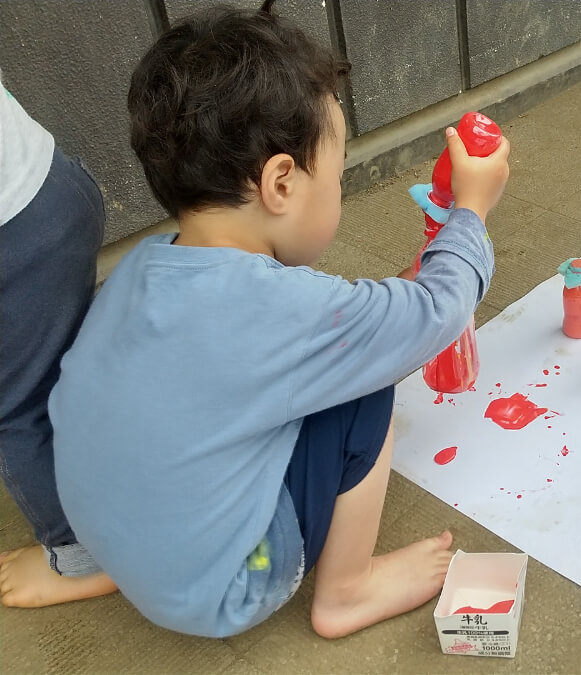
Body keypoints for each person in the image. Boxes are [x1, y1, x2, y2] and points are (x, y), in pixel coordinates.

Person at [47, 1, 509, 639]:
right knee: (365, 390)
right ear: (281, 183)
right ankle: (347, 592)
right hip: (234, 582)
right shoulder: (282, 310)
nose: (339, 193)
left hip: (128, 547)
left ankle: (141, 564)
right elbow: (438, 312)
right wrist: (473, 211)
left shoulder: (141, 267)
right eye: (338, 178)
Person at [0, 69, 117, 607]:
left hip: (14, 236)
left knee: (19, 408)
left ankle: (81, 555)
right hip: (49, 183)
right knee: (68, 352)